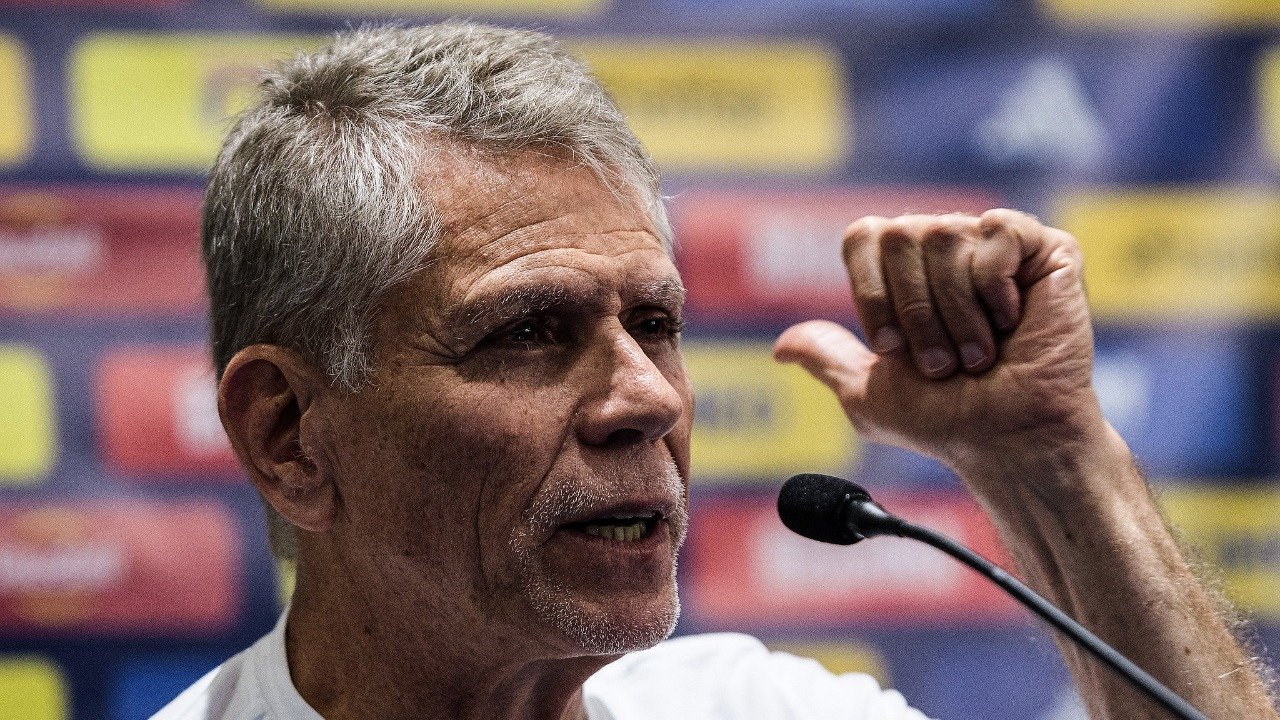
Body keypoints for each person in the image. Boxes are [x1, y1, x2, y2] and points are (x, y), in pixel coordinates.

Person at [154, 21, 1277, 720]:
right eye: (528, 333)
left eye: (655, 322)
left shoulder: (755, 706)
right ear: (287, 434)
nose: (644, 397)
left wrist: (1049, 463)